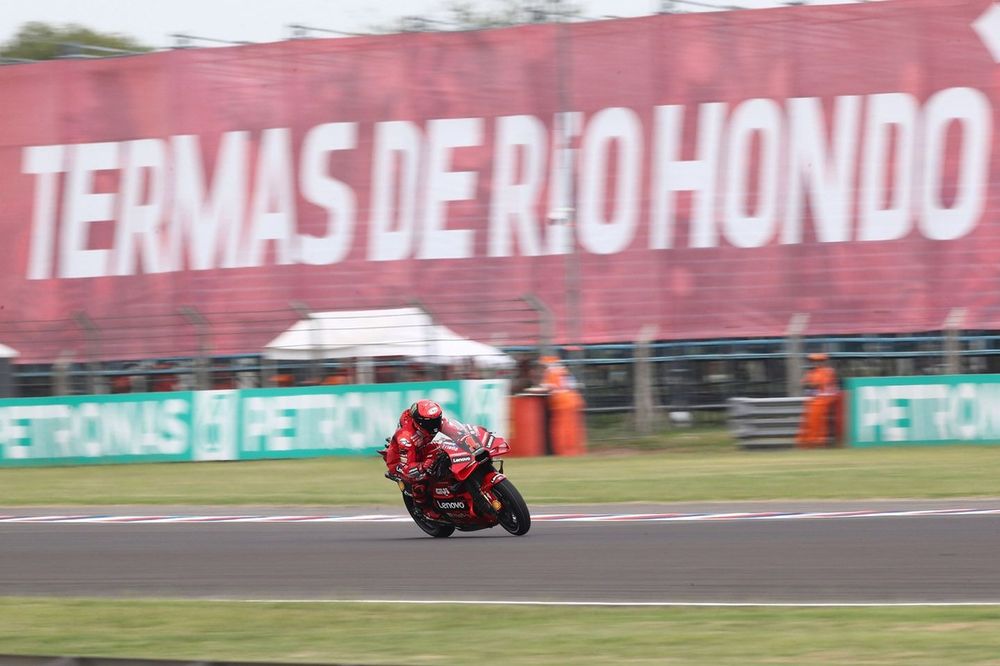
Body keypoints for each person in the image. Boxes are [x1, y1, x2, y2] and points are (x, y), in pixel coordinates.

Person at [383, 399, 474, 513]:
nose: (435, 425)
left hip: (423, 448)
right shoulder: (406, 437)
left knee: (445, 453)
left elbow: (460, 433)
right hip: (401, 462)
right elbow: (408, 467)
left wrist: (470, 442)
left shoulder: (434, 422)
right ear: (419, 422)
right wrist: (422, 466)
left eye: (437, 419)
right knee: (419, 477)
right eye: (430, 423)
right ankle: (423, 508)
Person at [796, 353, 841, 448]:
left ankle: (816, 441)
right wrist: (809, 385)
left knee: (816, 421)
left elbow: (818, 384)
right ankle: (808, 441)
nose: (815, 363)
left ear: (822, 362)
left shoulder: (827, 372)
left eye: (817, 361)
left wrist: (810, 385)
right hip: (816, 399)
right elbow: (804, 384)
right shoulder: (812, 373)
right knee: (809, 421)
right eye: (813, 361)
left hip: (824, 399)